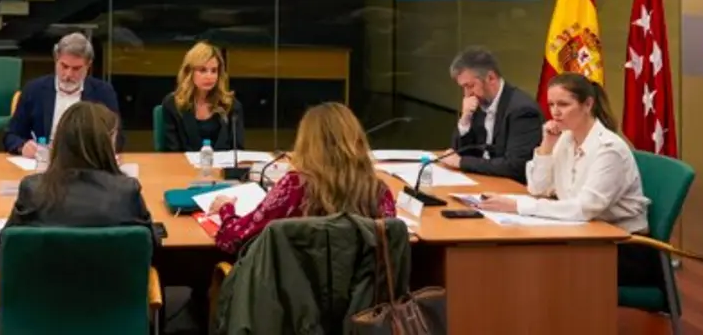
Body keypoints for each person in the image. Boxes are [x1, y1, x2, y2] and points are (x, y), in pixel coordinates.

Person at [477, 73, 654, 286]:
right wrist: (547, 145)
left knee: (527, 263)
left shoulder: (609, 149)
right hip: (581, 235)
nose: (555, 112)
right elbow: (538, 188)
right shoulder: (566, 139)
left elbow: (584, 209)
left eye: (563, 104)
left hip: (620, 247)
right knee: (510, 254)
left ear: (588, 104)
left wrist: (518, 205)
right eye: (551, 104)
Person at [208, 102, 396, 254]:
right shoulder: (378, 192)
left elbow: (232, 239)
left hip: (296, 297)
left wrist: (226, 209)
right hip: (364, 298)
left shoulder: (294, 187)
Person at [5, 101, 154, 245]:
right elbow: (150, 243)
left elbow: (8, 242)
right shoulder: (127, 191)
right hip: (111, 270)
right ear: (105, 144)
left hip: (49, 270)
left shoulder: (33, 189)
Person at [4, 33, 123, 155]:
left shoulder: (102, 92)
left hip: (85, 161)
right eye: (64, 66)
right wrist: (22, 146)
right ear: (56, 59)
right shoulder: (34, 89)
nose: (68, 74)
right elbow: (11, 135)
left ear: (88, 66)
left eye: (76, 69)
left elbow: (118, 138)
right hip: (43, 162)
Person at [441, 47, 542, 183]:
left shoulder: (523, 111)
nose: (467, 94)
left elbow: (516, 166)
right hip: (482, 180)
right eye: (463, 87)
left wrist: (462, 162)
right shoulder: (477, 102)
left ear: (491, 78)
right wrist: (465, 119)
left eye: (470, 86)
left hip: (511, 188)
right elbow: (458, 152)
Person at [161, 41, 244, 152]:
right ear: (190, 72)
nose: (209, 76)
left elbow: (237, 150)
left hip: (222, 168)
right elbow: (172, 152)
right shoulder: (173, 104)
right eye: (203, 70)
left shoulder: (231, 105)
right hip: (184, 167)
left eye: (214, 71)